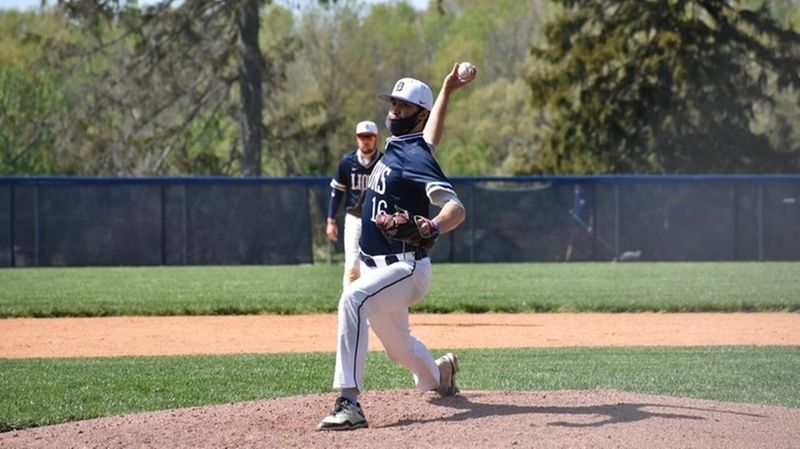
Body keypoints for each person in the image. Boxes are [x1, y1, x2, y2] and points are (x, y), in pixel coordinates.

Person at [317, 63, 476, 431]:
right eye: (393, 104)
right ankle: (440, 375)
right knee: (397, 348)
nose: (394, 111)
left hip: (406, 267)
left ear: (417, 113)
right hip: (379, 267)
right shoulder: (404, 146)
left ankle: (348, 403)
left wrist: (433, 224)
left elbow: (456, 207)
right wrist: (447, 90)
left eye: (403, 107)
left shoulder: (415, 156)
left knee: (352, 299)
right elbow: (430, 137)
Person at [326, 120, 381, 288]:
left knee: (375, 265)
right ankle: (348, 306)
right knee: (352, 265)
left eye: (369, 137)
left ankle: (371, 307)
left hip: (377, 220)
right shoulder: (347, 162)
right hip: (354, 218)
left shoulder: (384, 162)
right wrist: (330, 220)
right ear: (357, 139)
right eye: (362, 137)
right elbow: (337, 192)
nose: (366, 140)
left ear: (375, 139)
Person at [565, 183, 594, 262]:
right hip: (576, 225)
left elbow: (591, 213)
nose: (576, 190)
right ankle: (567, 260)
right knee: (571, 242)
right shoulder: (576, 197)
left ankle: (588, 260)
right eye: (576, 188)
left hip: (585, 226)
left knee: (587, 244)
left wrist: (590, 226)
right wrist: (572, 212)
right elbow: (575, 209)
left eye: (578, 188)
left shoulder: (587, 198)